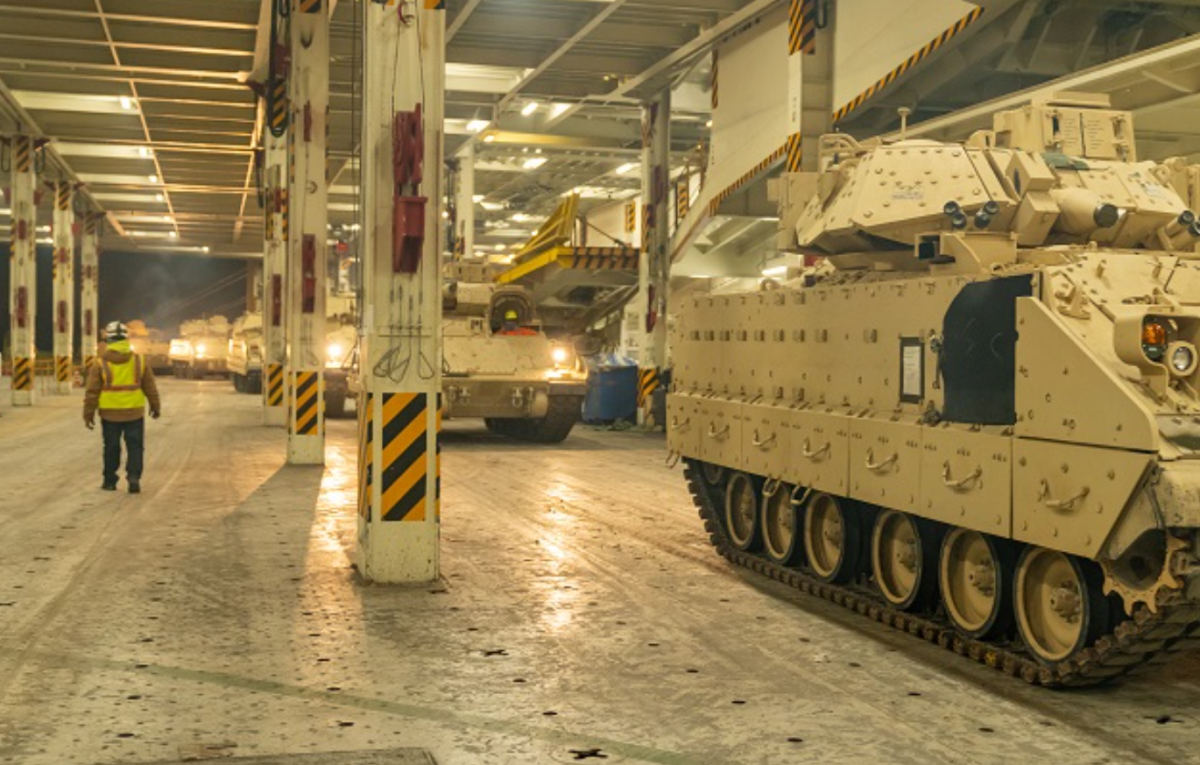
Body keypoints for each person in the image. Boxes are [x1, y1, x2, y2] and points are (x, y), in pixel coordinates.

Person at [84, 321, 162, 493]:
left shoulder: (100, 363)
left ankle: (109, 480)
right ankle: (133, 478)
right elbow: (150, 387)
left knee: (111, 447)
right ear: (126, 339)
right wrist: (155, 406)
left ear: (108, 340)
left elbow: (92, 391)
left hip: (109, 413)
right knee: (135, 446)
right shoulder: (139, 361)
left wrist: (88, 413)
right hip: (134, 412)